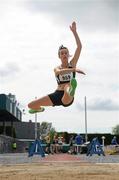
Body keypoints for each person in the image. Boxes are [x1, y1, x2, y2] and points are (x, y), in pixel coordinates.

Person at [28, 21, 85, 113]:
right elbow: (59, 72)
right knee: (30, 105)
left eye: (66, 53)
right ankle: (40, 109)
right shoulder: (57, 68)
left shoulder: (72, 64)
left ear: (69, 55)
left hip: (67, 97)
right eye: (62, 53)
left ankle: (72, 90)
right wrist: (74, 70)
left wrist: (74, 32)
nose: (64, 54)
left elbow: (79, 47)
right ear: (59, 56)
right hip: (57, 94)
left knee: (67, 85)